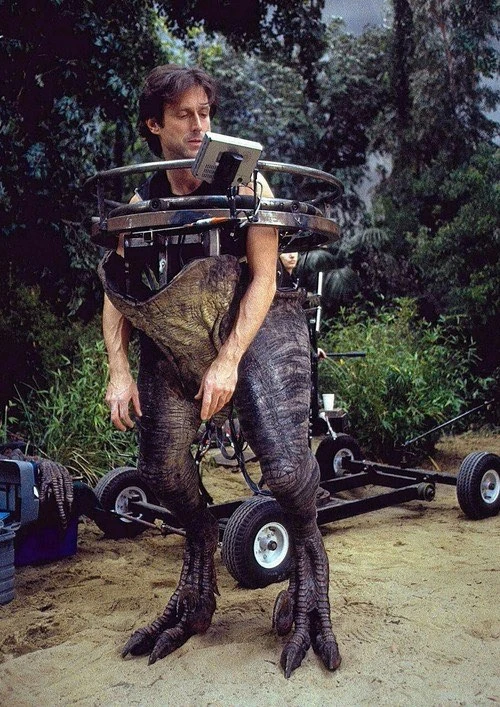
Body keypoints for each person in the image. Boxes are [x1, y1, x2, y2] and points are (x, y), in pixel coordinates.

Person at [98, 64, 340, 678]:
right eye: (184, 115)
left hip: (256, 326)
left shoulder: (246, 183)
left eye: (205, 113)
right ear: (154, 125)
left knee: (285, 470)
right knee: (161, 467)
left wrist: (229, 359)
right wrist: (118, 368)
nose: (198, 126)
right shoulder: (143, 200)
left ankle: (312, 571)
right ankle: (199, 561)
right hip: (180, 327)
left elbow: (265, 278)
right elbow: (118, 288)